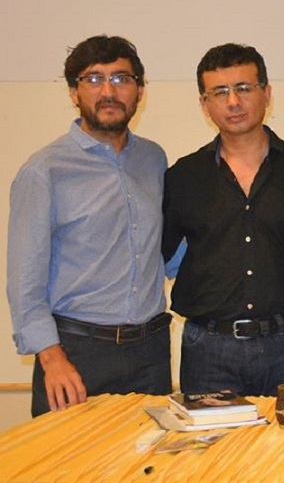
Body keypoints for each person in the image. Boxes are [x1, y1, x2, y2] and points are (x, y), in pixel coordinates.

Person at [7, 35, 171, 416]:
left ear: (139, 91)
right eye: (94, 79)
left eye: (121, 78)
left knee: (152, 456)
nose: (108, 91)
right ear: (73, 92)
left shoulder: (153, 159)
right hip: (76, 355)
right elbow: (25, 284)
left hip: (150, 354)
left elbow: (163, 249)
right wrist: (52, 359)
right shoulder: (44, 170)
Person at [162, 43, 284, 396]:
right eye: (219, 92)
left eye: (244, 88)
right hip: (209, 348)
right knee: (210, 435)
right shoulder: (183, 176)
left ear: (267, 93)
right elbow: (160, 255)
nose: (233, 102)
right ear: (204, 104)